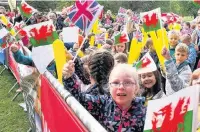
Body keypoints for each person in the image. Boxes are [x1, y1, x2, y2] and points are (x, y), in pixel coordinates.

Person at [63, 63, 146, 131]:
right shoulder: (102, 103)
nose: (121, 87)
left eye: (127, 82)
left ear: (136, 87)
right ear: (109, 87)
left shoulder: (145, 113)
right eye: (116, 83)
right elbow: (79, 98)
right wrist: (69, 77)